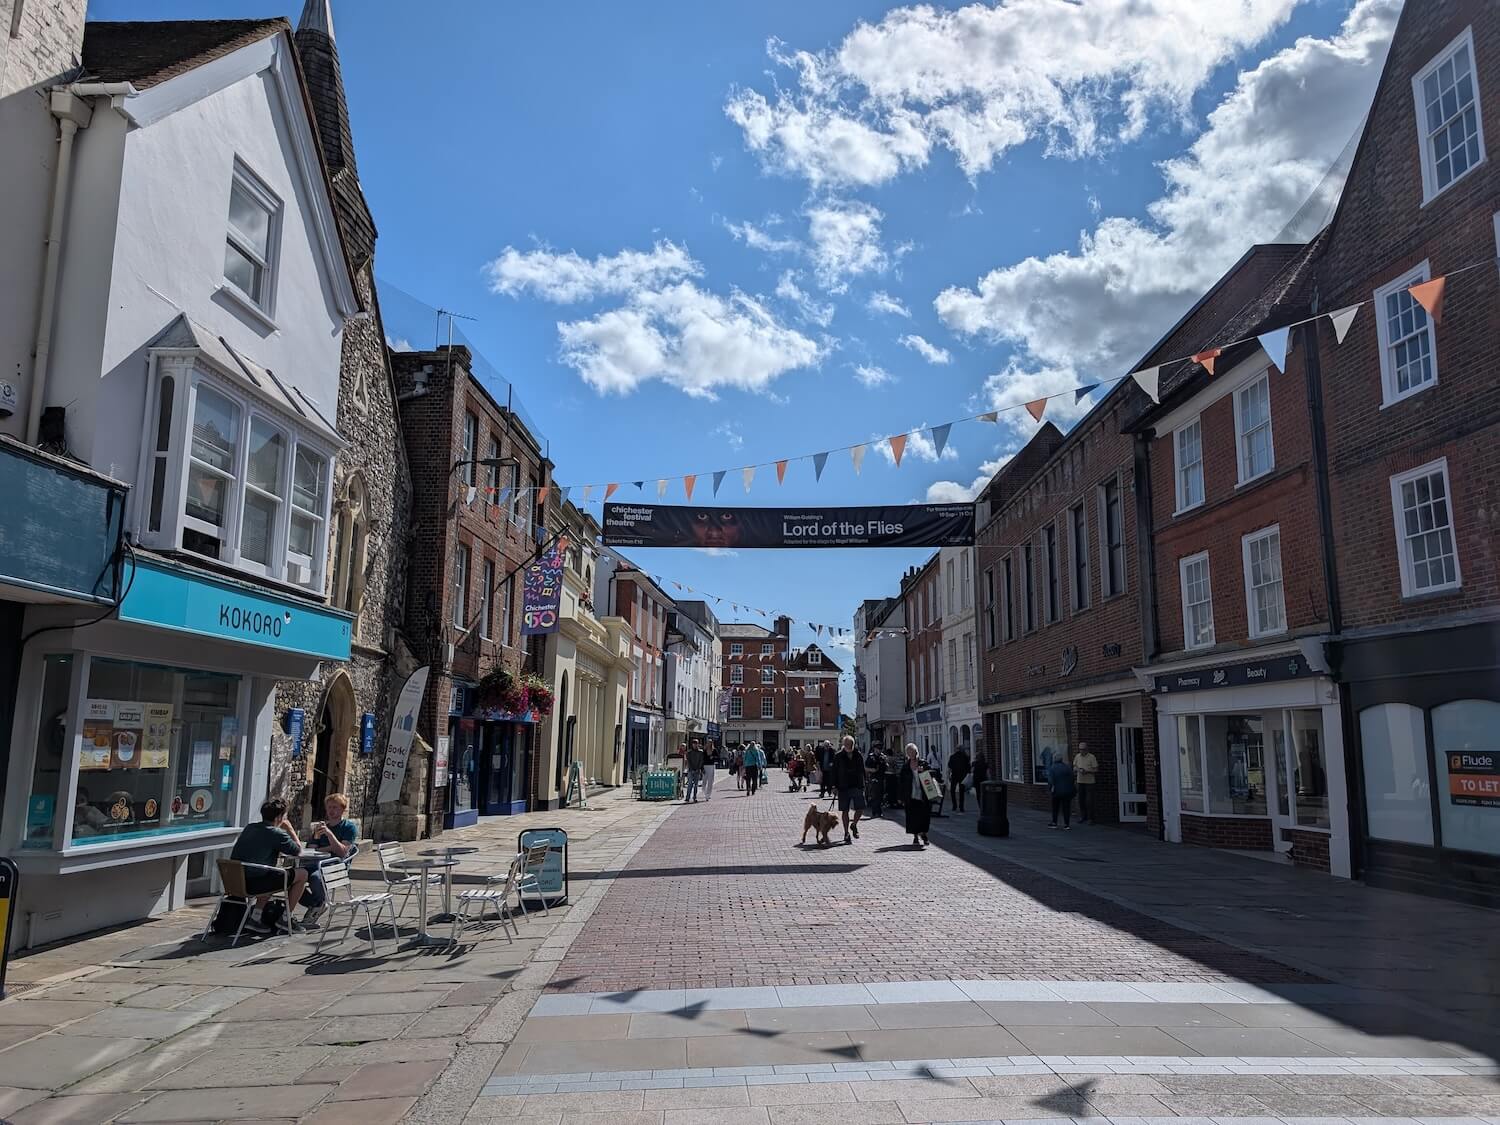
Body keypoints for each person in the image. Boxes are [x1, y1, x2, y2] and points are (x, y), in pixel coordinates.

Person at [230, 797, 309, 932]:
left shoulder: (250, 828)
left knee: (271, 873)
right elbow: (298, 851)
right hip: (255, 884)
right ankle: (286, 918)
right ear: (279, 817)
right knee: (302, 874)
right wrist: (290, 829)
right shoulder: (276, 833)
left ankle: (255, 917)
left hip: (236, 881)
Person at [830, 736, 866, 844]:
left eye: (850, 745)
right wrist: (833, 786)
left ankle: (854, 824)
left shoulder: (858, 755)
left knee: (860, 808)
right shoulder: (838, 756)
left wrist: (864, 784)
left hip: (857, 785)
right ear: (843, 745)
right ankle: (846, 833)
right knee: (845, 810)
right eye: (846, 745)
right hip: (843, 786)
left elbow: (862, 770)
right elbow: (834, 772)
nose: (848, 747)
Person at [899, 743, 931, 849]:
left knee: (924, 816)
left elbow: (931, 775)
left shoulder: (923, 763)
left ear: (916, 752)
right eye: (909, 752)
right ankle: (915, 836)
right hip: (911, 794)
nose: (911, 754)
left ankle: (924, 834)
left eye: (913, 752)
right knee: (912, 816)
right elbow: (902, 782)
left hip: (923, 794)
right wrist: (901, 797)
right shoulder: (905, 767)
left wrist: (924, 771)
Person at [1047, 751, 1076, 830]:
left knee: (1055, 807)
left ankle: (1054, 822)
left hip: (1056, 791)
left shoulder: (1052, 768)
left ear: (1054, 759)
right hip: (1067, 791)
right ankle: (1067, 824)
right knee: (1066, 808)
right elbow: (1072, 778)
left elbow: (1050, 780)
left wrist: (1050, 789)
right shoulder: (1067, 767)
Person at [1072, 740, 1099, 824]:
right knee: (1081, 800)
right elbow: (1074, 767)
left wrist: (1087, 771)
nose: (1081, 751)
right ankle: (1083, 816)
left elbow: (1096, 769)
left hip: (1090, 782)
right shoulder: (1077, 756)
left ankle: (1091, 818)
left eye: (1083, 749)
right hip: (1080, 781)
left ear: (1087, 749)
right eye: (1080, 749)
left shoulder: (1092, 757)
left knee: (1089, 801)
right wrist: (1078, 769)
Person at [947, 744, 972, 812]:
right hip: (962, 776)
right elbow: (968, 768)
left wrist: (948, 775)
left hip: (954, 775)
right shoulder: (965, 757)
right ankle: (961, 806)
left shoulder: (952, 757)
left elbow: (949, 767)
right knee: (961, 792)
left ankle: (954, 805)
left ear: (956, 749)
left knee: (952, 790)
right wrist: (968, 774)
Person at [866, 749, 886, 817]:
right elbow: (866, 767)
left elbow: (885, 766)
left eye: (880, 748)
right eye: (877, 748)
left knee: (880, 795)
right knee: (874, 795)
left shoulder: (882, 757)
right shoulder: (871, 757)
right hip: (874, 778)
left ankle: (877, 811)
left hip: (881, 778)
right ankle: (876, 811)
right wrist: (872, 770)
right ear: (875, 749)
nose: (879, 750)